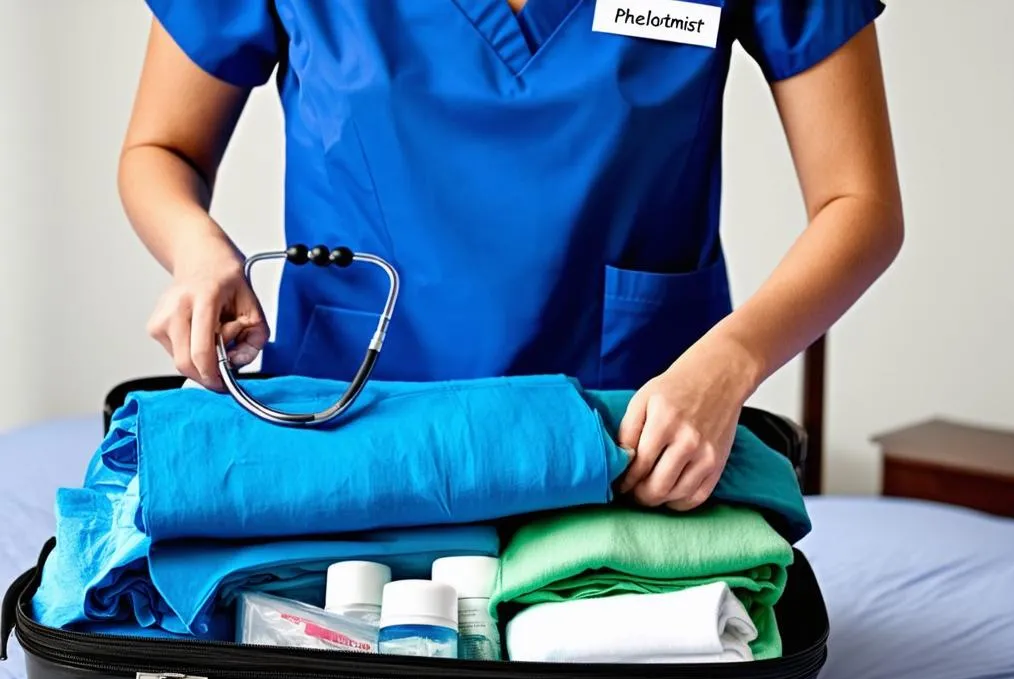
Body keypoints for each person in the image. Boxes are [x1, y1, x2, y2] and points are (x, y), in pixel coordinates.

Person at [119, 0, 903, 510]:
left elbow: (859, 206)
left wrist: (729, 365)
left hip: (633, 450)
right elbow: (161, 148)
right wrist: (198, 252)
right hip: (355, 439)